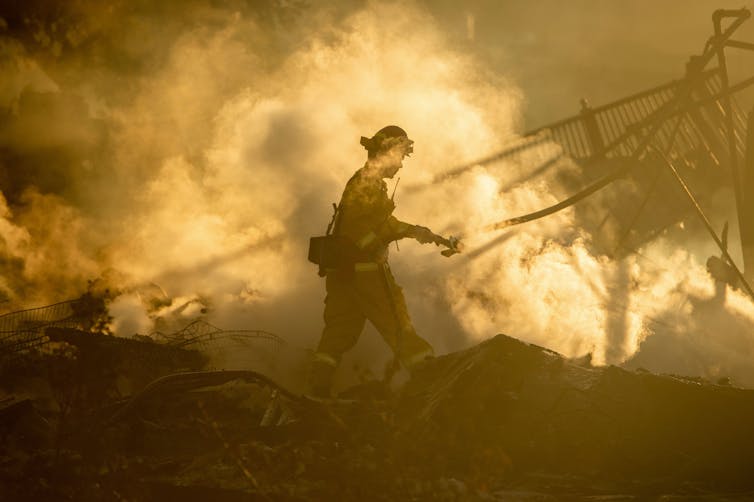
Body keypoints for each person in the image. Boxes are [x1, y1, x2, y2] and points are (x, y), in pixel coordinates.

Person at [309, 125, 455, 397]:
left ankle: (318, 390)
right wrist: (404, 231)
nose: (401, 164)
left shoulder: (365, 180)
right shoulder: (368, 182)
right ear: (389, 152)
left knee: (338, 334)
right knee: (397, 323)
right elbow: (364, 231)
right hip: (366, 273)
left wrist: (422, 233)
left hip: (343, 274)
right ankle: (427, 376)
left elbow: (378, 224)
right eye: (400, 156)